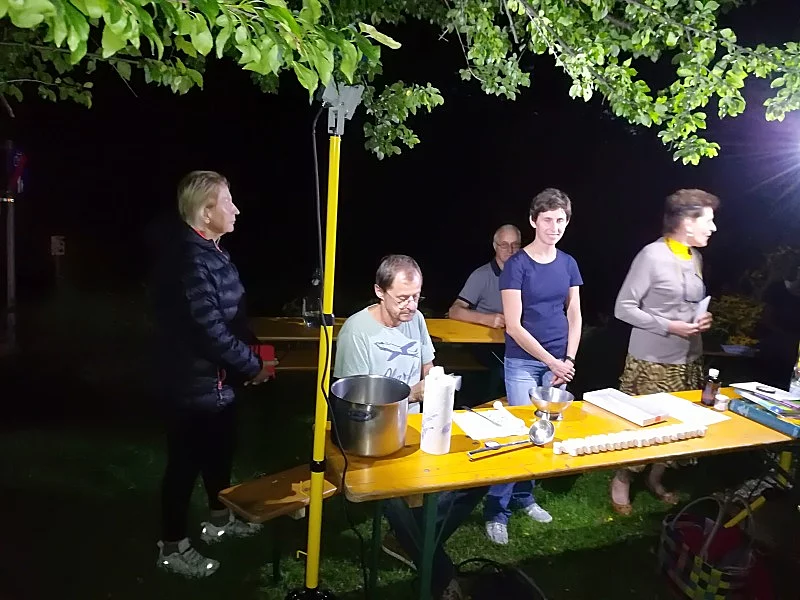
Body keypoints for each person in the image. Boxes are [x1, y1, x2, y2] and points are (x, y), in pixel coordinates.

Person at [334, 254, 485, 600]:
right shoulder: (357, 332)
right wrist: (414, 393)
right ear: (379, 291)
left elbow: (428, 365)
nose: (411, 305)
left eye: (416, 296)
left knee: (477, 477)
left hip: (418, 421)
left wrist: (436, 385)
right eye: (402, 298)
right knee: (396, 501)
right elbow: (357, 400)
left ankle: (408, 539)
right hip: (372, 432)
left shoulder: (415, 319)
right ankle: (441, 575)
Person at [150, 171, 277, 577]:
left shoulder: (214, 253)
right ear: (206, 213)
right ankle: (172, 547)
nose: (235, 209)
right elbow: (209, 331)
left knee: (219, 455)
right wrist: (252, 365)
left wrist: (261, 355)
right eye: (227, 202)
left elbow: (235, 319)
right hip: (190, 386)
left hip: (219, 385)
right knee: (184, 466)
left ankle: (220, 521)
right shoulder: (189, 261)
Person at [484, 188, 583, 545]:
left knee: (544, 432)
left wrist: (568, 360)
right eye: (548, 220)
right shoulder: (517, 265)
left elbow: (575, 313)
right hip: (524, 362)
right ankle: (496, 510)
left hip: (558, 363)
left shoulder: (568, 263)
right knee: (518, 433)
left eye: (561, 220)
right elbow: (513, 325)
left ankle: (525, 497)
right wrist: (552, 361)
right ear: (533, 221)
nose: (555, 227)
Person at [611, 188, 718, 515]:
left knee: (675, 426)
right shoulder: (651, 256)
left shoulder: (694, 256)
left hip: (688, 360)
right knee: (643, 425)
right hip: (652, 361)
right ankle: (622, 479)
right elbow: (623, 308)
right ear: (687, 221)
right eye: (708, 220)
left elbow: (688, 303)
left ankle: (655, 477)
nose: (713, 227)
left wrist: (702, 319)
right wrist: (670, 326)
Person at [448, 225, 521, 401]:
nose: (510, 250)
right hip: (485, 343)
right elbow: (454, 310)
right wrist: (486, 319)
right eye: (504, 245)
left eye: (515, 245)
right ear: (495, 246)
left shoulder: (526, 274)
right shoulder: (481, 275)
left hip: (516, 340)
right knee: (505, 371)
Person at [755, 260, 800, 388]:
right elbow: (765, 317)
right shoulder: (778, 289)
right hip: (773, 344)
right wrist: (784, 337)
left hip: (794, 352)